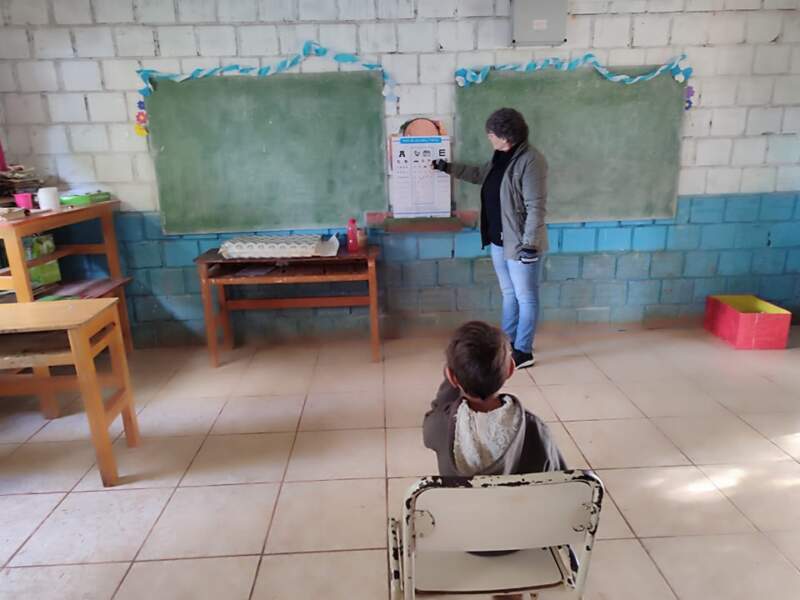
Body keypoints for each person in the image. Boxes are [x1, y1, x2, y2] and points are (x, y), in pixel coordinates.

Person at [433, 108, 547, 368]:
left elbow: (536, 206)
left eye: (491, 134)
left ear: (505, 137)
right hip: (498, 240)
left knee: (526, 297)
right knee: (509, 294)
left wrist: (529, 244)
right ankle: (507, 343)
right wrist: (446, 168)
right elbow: (478, 175)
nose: (489, 138)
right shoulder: (500, 156)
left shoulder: (531, 161)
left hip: (520, 243)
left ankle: (524, 351)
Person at [423, 321, 565, 478]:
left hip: (462, 503)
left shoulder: (438, 426)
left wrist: (452, 379)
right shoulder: (534, 428)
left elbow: (435, 416)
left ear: (451, 377)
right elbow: (559, 479)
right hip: (517, 502)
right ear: (510, 369)